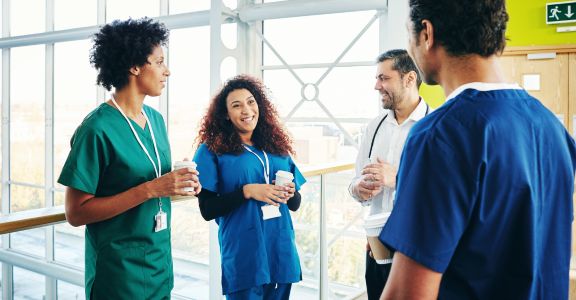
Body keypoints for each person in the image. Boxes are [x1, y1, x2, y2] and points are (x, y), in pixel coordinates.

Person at [379, 0, 576, 299]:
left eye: (409, 34)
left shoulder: (439, 136)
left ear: (427, 33)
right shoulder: (551, 127)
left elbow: (408, 294)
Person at [58, 18, 201, 299]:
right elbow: (75, 213)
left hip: (159, 265)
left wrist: (181, 182)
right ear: (134, 66)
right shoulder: (96, 129)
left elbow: (152, 179)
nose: (167, 71)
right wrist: (152, 189)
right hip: (118, 274)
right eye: (159, 62)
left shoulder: (156, 121)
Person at [193, 74, 305, 300]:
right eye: (237, 105)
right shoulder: (211, 151)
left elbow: (295, 204)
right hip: (244, 252)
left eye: (251, 102)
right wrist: (247, 191)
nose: (247, 110)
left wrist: (291, 193)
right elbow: (207, 209)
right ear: (225, 114)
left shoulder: (276, 146)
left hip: (280, 249)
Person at [348, 49, 428, 300]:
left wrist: (397, 179)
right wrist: (359, 188)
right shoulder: (374, 128)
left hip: (419, 252)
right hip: (377, 250)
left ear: (409, 79)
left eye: (384, 78)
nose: (376, 86)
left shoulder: (435, 127)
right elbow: (353, 183)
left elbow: (443, 195)